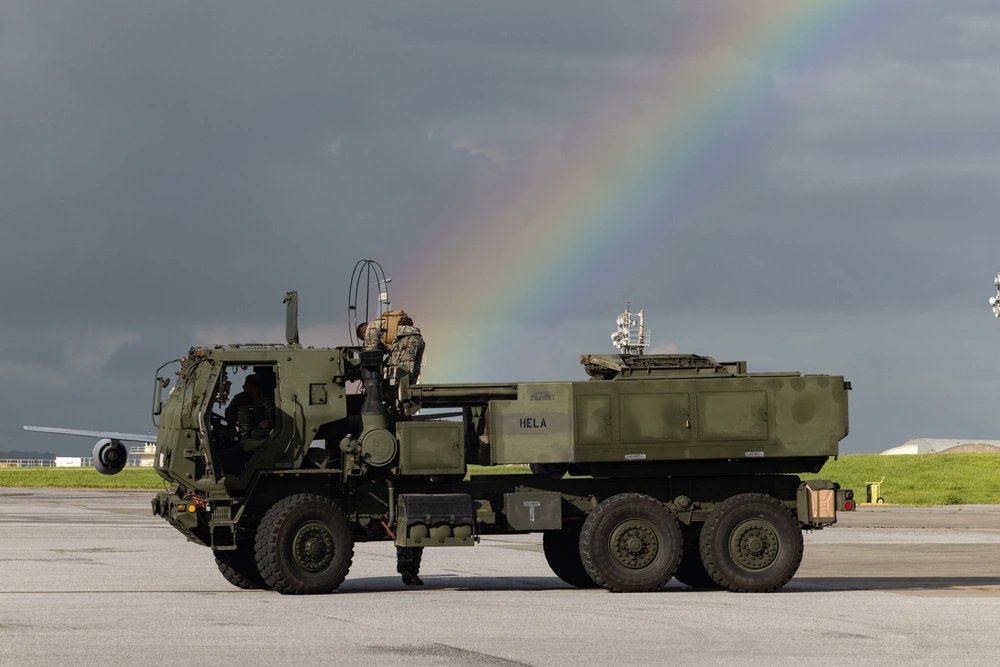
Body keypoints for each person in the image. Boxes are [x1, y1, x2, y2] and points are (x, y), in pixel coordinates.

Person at [358, 312, 427, 586]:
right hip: (417, 341)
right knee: (407, 382)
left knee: (398, 379)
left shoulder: (373, 331)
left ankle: (408, 569)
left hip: (407, 346)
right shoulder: (396, 326)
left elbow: (369, 359)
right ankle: (409, 570)